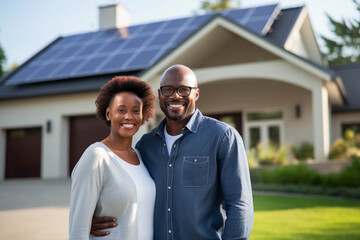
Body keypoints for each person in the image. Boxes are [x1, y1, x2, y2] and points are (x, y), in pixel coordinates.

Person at [91, 65, 254, 239]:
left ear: (196, 94)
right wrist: (94, 216)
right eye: (168, 90)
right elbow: (131, 191)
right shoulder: (146, 145)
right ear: (160, 95)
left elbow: (239, 204)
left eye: (184, 90)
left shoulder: (222, 137)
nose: (175, 96)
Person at [69, 76, 157, 240]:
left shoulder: (140, 155)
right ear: (109, 113)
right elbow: (77, 227)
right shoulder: (96, 156)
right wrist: (87, 224)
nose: (129, 116)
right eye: (121, 110)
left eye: (135, 110)